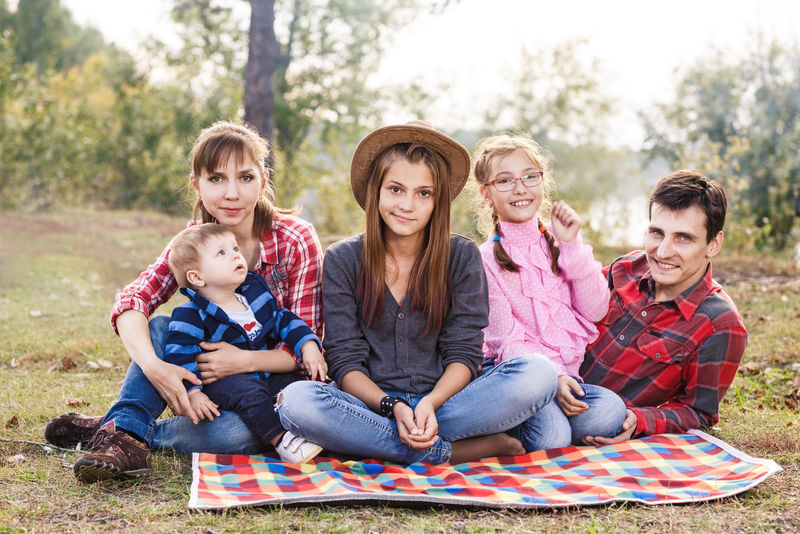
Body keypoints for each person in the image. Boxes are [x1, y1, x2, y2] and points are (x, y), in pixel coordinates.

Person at [44, 121, 324, 481]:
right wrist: (154, 366)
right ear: (197, 184)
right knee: (162, 326)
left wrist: (240, 361)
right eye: (216, 179)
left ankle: (122, 427)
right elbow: (133, 300)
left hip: (267, 387)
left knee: (237, 436)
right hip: (206, 380)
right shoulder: (192, 243)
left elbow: (305, 344)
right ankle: (125, 437)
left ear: (264, 180)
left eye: (246, 177)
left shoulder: (295, 240)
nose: (232, 194)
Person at [276, 121, 558, 465]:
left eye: (423, 193)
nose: (407, 205)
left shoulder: (461, 256)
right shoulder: (343, 259)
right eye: (395, 189)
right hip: (372, 405)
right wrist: (391, 406)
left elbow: (464, 355)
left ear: (437, 201)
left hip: (447, 403)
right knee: (295, 402)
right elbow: (345, 360)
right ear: (375, 191)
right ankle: (452, 451)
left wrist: (429, 404)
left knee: (538, 374)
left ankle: (364, 445)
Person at [472, 134, 626, 450]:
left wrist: (572, 245)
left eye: (530, 176)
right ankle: (500, 431)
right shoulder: (486, 259)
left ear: (542, 182)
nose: (520, 188)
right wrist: (553, 379)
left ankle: (549, 423)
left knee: (610, 411)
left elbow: (596, 310)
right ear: (486, 193)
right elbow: (505, 340)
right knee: (553, 438)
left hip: (567, 381)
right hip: (519, 378)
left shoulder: (558, 242)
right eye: (504, 181)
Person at [580, 170, 748, 444]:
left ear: (713, 244)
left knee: (564, 427)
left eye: (684, 238)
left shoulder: (720, 324)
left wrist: (640, 420)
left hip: (593, 416)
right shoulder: (625, 268)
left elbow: (698, 412)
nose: (663, 251)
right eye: (657, 233)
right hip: (552, 383)